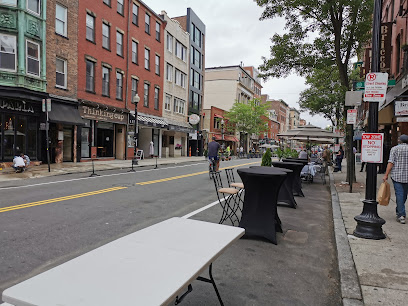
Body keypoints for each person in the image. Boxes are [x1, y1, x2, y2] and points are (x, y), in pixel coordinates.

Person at [383, 134, 408, 224]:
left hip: (397, 176)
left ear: (399, 141)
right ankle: (400, 211)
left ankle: (401, 214)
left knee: (399, 194)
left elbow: (391, 163)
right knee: (404, 195)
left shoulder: (394, 149)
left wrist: (386, 174)